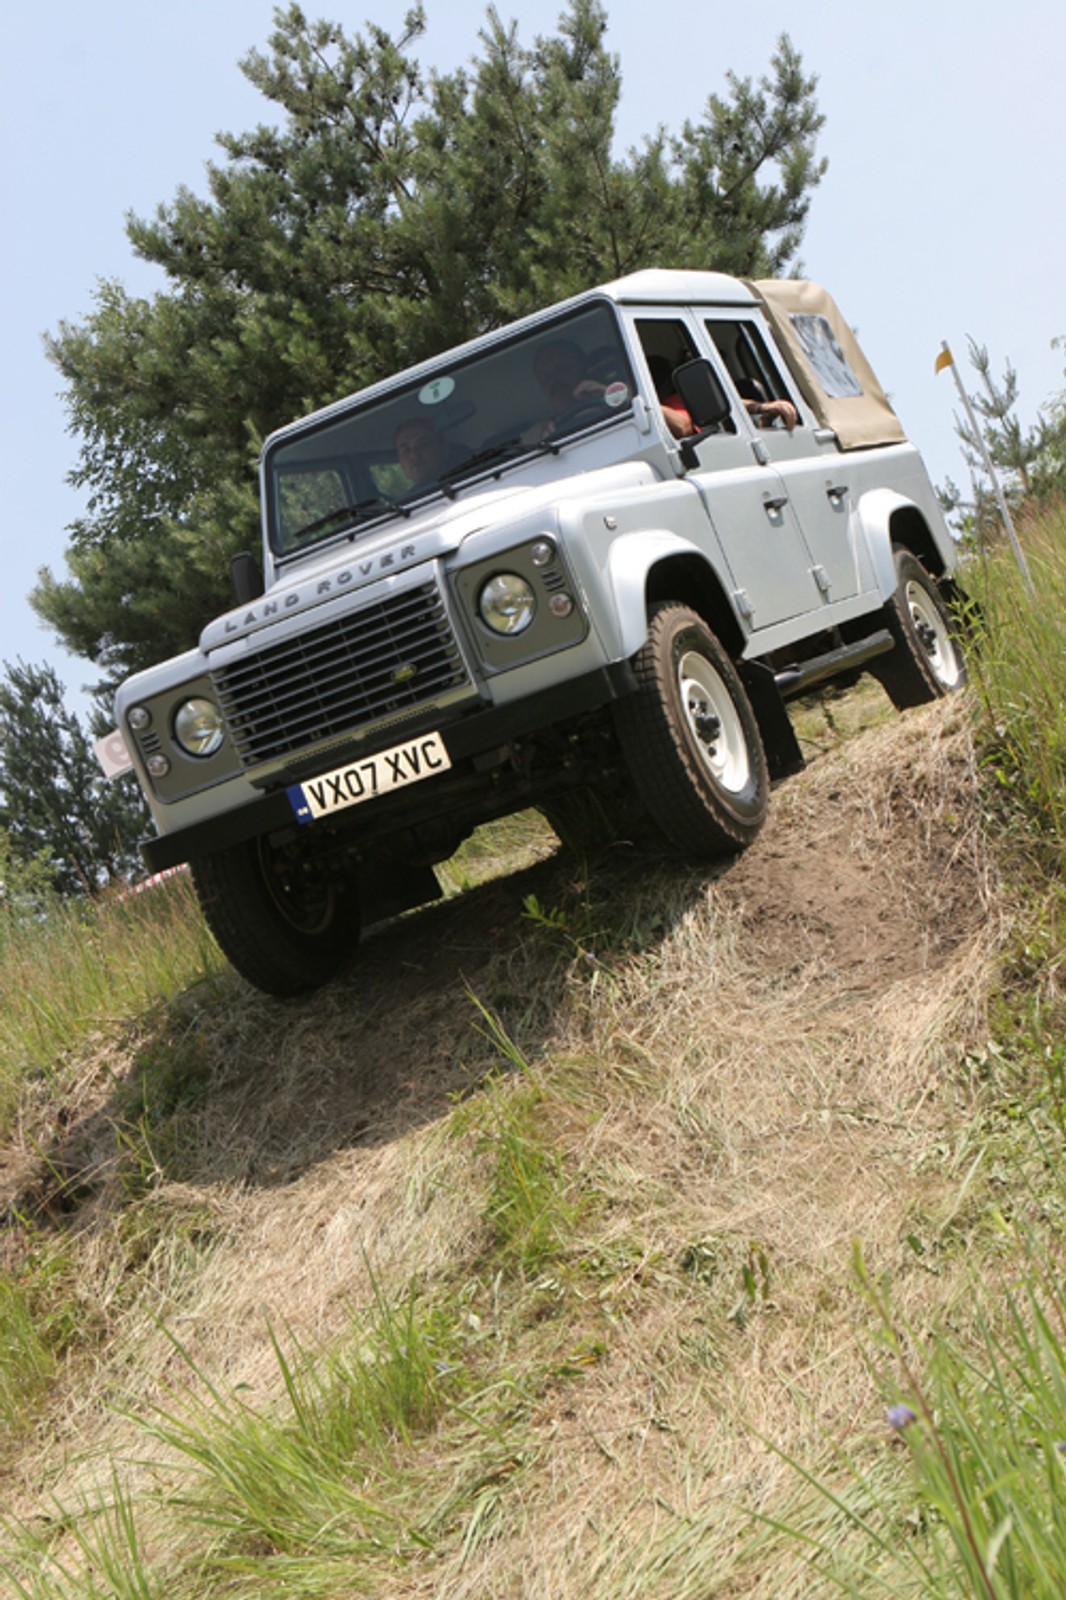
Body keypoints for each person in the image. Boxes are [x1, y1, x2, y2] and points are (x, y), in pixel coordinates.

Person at [394, 416, 461, 488]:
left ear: (444, 450)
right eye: (405, 450)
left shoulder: (467, 480)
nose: (414, 455)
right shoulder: (409, 499)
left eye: (423, 445)